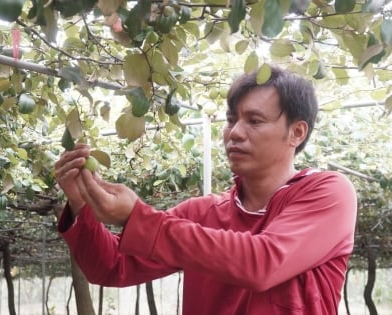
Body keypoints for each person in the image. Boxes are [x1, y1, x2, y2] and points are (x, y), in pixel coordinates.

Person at [54, 66, 358, 314]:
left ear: (296, 132)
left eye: (254, 120)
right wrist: (82, 203)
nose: (234, 133)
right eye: (231, 120)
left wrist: (139, 218)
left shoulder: (328, 193)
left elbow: (262, 263)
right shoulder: (201, 213)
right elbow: (111, 266)